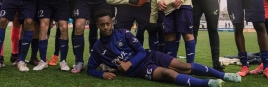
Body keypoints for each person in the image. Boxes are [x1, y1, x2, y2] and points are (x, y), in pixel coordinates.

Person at [87, 9, 242, 87]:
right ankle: (207, 83)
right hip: (139, 71)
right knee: (169, 73)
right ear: (98, 25)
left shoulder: (124, 33)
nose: (106, 27)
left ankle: (223, 76)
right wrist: (102, 75)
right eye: (102, 25)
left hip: (148, 56)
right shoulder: (98, 48)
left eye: (108, 23)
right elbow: (90, 68)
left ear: (112, 22)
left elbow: (141, 51)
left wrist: (129, 63)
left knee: (183, 66)